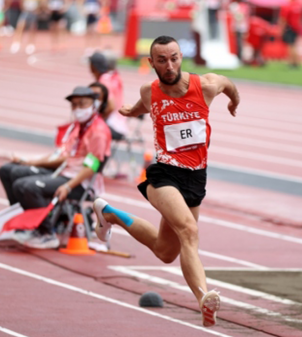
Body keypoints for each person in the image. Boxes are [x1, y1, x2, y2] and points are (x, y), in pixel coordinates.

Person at [92, 35, 240, 327]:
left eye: (173, 58)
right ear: (151, 63)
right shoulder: (149, 91)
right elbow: (141, 106)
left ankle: (110, 214)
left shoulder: (206, 85)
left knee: (165, 250)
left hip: (196, 178)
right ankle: (204, 298)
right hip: (164, 174)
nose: (169, 65)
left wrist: (233, 102)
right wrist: (130, 111)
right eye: (162, 60)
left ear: (181, 57)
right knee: (188, 230)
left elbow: (230, 86)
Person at [0, 86, 111, 249]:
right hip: (64, 171)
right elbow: (62, 154)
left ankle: (46, 233)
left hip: (80, 183)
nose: (78, 109)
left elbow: (91, 168)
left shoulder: (98, 131)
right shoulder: (78, 127)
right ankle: (24, 222)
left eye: (82, 104)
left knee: (27, 186)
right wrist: (29, 161)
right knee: (10, 171)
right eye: (74, 105)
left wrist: (67, 186)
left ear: (94, 105)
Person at [88, 51, 126, 140]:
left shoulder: (104, 81)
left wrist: (99, 120)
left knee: (87, 127)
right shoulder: (114, 76)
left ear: (93, 67)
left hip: (114, 126)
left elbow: (111, 106)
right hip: (121, 124)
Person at [278, 0, 302, 68]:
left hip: (289, 27)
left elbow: (283, 18)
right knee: (293, 45)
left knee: (290, 45)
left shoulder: (287, 6)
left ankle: (292, 62)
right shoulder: (299, 5)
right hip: (296, 28)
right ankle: (296, 62)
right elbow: (300, 18)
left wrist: (281, 29)